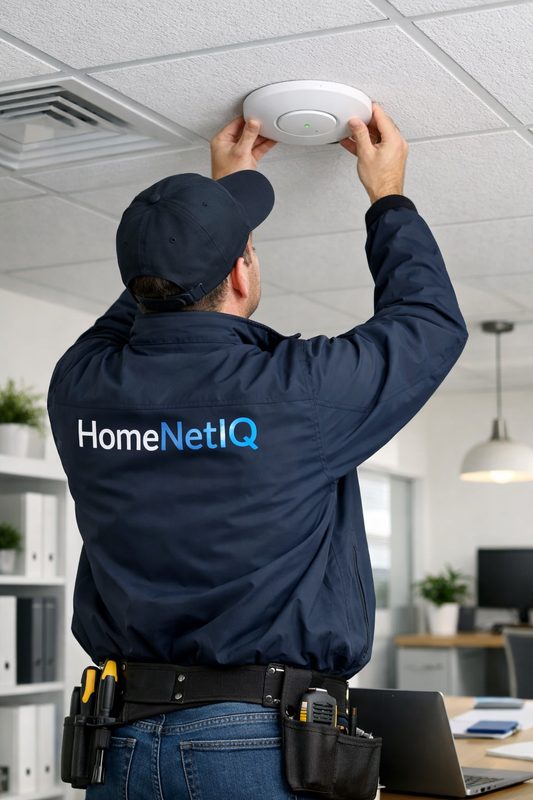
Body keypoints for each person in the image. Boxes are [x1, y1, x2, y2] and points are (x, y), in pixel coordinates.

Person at [47, 103, 468, 799]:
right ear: (241, 274)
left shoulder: (81, 388)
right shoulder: (293, 394)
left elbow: (148, 300)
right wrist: (386, 195)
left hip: (118, 744)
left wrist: (212, 218)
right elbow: (425, 324)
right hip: (255, 747)